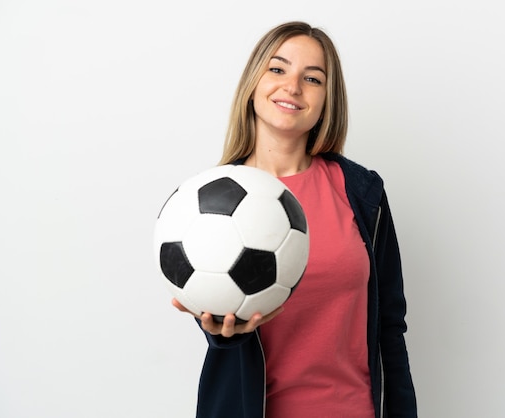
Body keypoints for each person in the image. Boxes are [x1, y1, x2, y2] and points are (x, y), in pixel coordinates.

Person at [172, 21, 418, 418]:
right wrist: (221, 334)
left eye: (313, 78)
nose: (293, 87)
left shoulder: (362, 192)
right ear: (253, 83)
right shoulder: (207, 203)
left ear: (327, 99)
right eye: (277, 69)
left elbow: (390, 328)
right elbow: (221, 323)